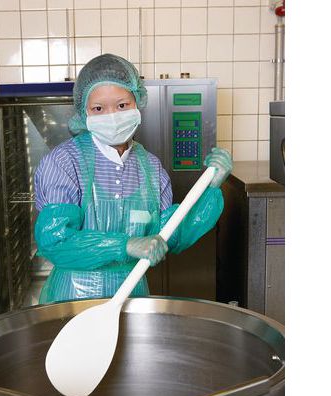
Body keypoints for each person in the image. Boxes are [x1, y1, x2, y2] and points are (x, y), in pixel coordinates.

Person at [34, 54, 233, 304]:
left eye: (122, 105)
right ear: (84, 112)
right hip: (72, 301)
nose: (112, 116)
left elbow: (170, 236)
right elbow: (55, 240)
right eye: (98, 109)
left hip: (133, 298)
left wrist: (211, 187)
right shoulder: (65, 162)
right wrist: (125, 245)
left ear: (137, 103)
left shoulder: (150, 167)